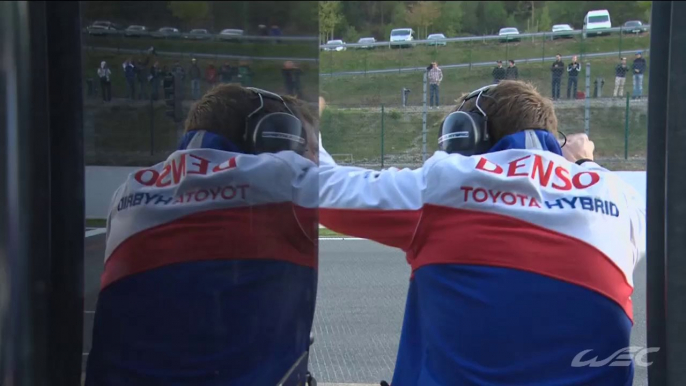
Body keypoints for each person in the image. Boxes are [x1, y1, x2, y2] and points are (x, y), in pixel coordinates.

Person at [319, 80, 645, 386]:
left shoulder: (446, 182)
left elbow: (322, 190)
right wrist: (586, 164)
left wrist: (301, 125)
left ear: (466, 135)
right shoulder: (619, 197)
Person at [85, 84, 319, 386]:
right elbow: (381, 197)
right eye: (310, 149)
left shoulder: (126, 195)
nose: (315, 161)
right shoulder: (283, 180)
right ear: (273, 139)